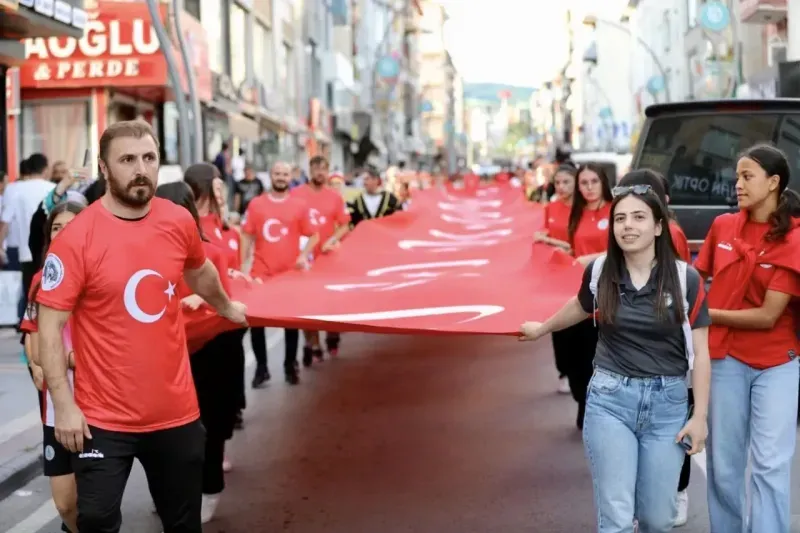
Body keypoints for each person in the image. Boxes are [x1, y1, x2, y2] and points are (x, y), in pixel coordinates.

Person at [35, 120, 247, 533]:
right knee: (94, 519)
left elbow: (199, 271)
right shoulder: (77, 238)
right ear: (104, 168)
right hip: (103, 418)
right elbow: (49, 327)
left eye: (149, 158)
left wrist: (225, 305)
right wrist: (64, 406)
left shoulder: (177, 221)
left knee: (183, 523)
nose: (140, 169)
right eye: (128, 159)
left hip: (175, 413)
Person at [520, 179, 711, 533]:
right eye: (620, 219)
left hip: (666, 404)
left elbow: (701, 352)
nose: (628, 226)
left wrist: (699, 416)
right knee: (617, 518)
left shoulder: (686, 279)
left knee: (657, 518)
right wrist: (542, 328)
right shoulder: (600, 272)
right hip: (610, 400)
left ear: (658, 226)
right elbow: (579, 307)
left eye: (639, 217)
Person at [696, 143, 800, 533]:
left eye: (746, 176)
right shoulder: (722, 227)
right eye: (737, 176)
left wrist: (705, 315)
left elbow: (768, 316)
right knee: (724, 465)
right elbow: (698, 280)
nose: (737, 184)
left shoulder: (794, 237)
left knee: (771, 464)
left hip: (777, 361)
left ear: (773, 183)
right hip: (724, 359)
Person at [155, 180, 240, 524]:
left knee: (208, 429)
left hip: (211, 353)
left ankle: (209, 489)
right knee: (168, 435)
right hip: (167, 355)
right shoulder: (148, 255)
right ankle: (173, 493)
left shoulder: (213, 252)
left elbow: (228, 306)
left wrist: (204, 297)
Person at [615, 169, 693, 526]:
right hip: (627, 364)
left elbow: (683, 293)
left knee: (674, 435)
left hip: (671, 358)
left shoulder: (670, 236)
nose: (629, 224)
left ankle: (677, 492)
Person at [21, 200, 86, 533]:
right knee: (65, 503)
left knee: (95, 500)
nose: (63, 233)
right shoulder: (40, 280)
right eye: (57, 227)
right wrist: (36, 363)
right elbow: (32, 334)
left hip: (99, 403)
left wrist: (70, 359)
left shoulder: (98, 273)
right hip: (57, 406)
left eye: (72, 225)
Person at [241, 161, 319, 386]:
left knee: (290, 322)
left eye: (285, 174)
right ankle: (262, 367)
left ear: (290, 177)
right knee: (256, 321)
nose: (281, 177)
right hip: (261, 272)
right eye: (277, 173)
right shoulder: (256, 205)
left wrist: (303, 255)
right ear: (270, 176)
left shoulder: (299, 205)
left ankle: (289, 365)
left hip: (288, 275)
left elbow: (314, 235)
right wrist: (242, 264)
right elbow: (247, 235)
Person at [562, 163, 614, 429]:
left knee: (600, 357)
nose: (590, 187)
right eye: (584, 183)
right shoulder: (577, 213)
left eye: (594, 181)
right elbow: (572, 251)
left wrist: (591, 258)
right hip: (580, 295)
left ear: (603, 182)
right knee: (576, 360)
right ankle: (582, 399)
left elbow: (623, 249)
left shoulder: (616, 211)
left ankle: (596, 409)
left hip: (610, 295)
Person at [291, 155, 351, 362]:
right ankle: (311, 342)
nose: (320, 172)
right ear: (310, 170)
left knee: (327, 303)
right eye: (316, 168)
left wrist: (332, 240)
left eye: (324, 169)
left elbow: (345, 224)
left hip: (326, 259)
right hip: (304, 258)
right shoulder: (296, 194)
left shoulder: (334, 197)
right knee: (305, 306)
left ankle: (331, 336)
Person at [533, 164, 577, 395]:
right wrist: (543, 238)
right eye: (558, 182)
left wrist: (552, 242)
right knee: (558, 324)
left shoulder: (583, 208)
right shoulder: (551, 207)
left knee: (580, 323)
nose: (561, 187)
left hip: (579, 271)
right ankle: (564, 371)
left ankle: (580, 370)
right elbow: (543, 234)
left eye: (566, 182)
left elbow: (573, 245)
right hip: (555, 274)